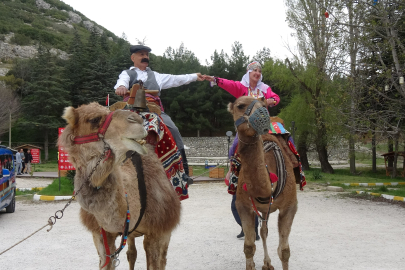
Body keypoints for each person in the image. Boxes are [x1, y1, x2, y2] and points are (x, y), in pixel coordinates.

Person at [114, 45, 205, 185]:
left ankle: (184, 172)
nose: (145, 57)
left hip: (153, 109)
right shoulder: (127, 73)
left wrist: (194, 76)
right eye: (141, 54)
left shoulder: (156, 76)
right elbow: (122, 82)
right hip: (131, 109)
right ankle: (109, 168)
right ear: (133, 58)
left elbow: (177, 79)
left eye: (146, 55)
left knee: (173, 129)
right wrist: (121, 87)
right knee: (112, 129)